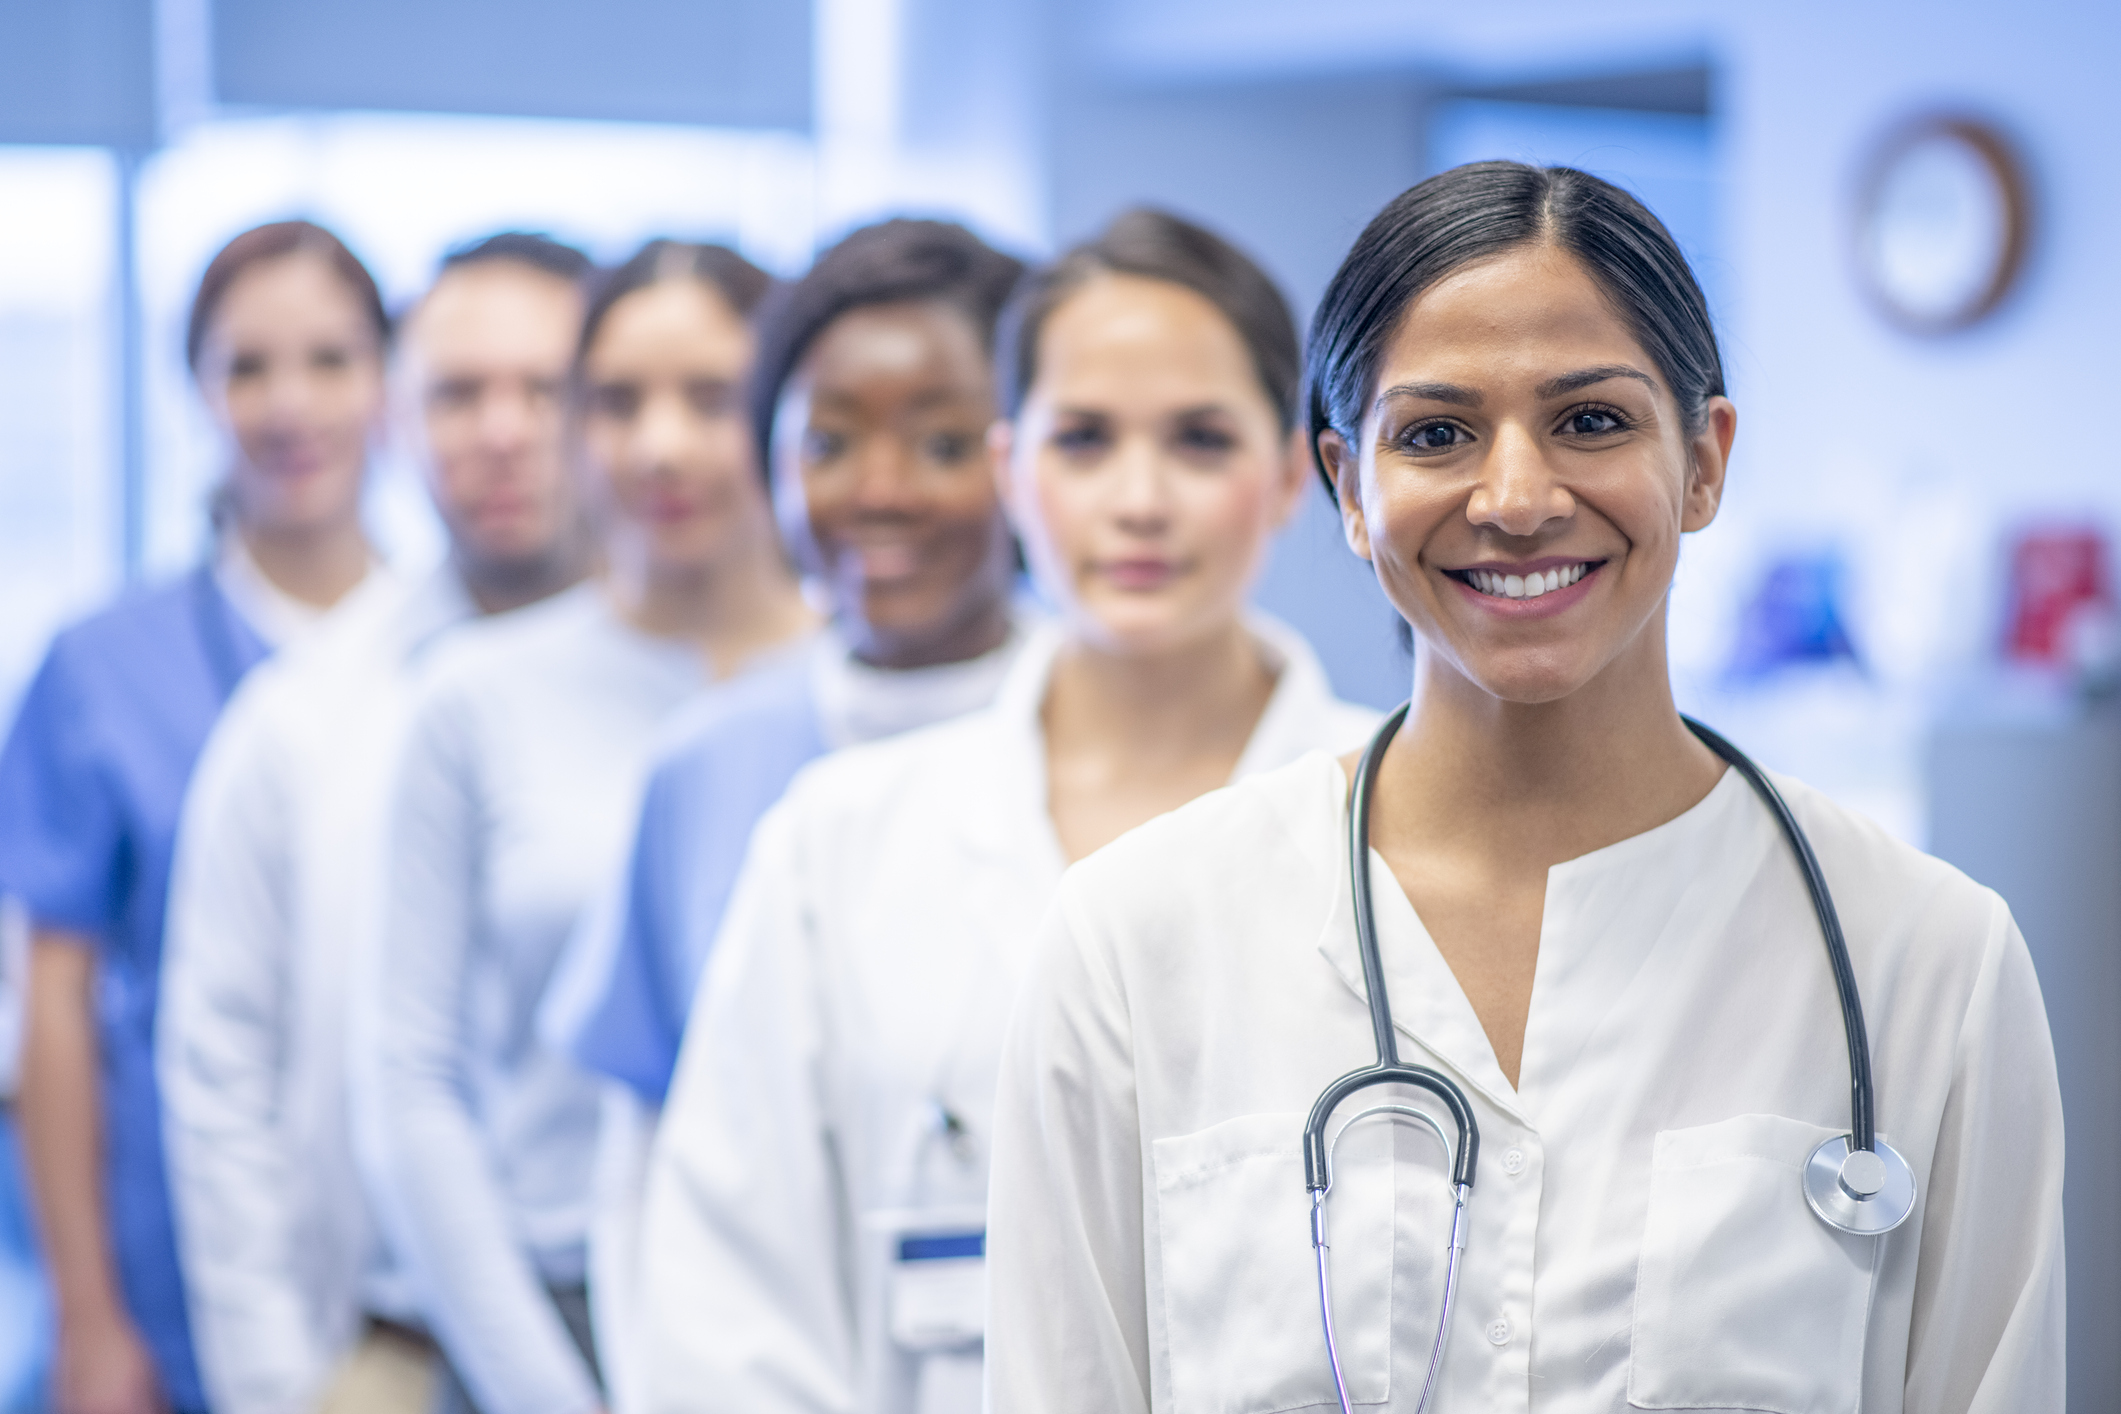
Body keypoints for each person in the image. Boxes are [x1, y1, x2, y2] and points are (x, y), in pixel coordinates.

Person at [981, 163, 2066, 1413]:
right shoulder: (1133, 940)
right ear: (1345, 484)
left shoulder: (1927, 960)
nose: (1516, 499)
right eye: (1435, 434)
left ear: (1705, 460)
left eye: (1592, 421)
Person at [634, 209, 1378, 1414]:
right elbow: (730, 1303)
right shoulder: (841, 839)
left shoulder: (1406, 818)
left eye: (1199, 440)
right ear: (1008, 468)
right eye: (1082, 439)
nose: (1139, 501)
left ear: (1300, 471)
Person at [532, 219, 1032, 1408]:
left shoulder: (1117, 741)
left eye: (944, 440)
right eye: (829, 439)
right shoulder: (709, 764)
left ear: (1029, 453)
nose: (880, 490)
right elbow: (645, 1169)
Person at [354, 238, 815, 1414]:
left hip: (815, 1304)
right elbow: (413, 1083)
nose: (660, 444)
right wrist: (544, 1389)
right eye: (614, 401)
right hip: (549, 1311)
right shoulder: (473, 697)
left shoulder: (869, 692)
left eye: (709, 398)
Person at [158, 232, 596, 1414]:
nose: (500, 430)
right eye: (457, 392)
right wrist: (278, 1385)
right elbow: (221, 1079)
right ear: (398, 416)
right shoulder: (299, 719)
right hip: (389, 1351)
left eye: (542, 390)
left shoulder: (696, 696)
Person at [0, 220, 391, 1414]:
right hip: (162, 1253)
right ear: (196, 391)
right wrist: (88, 1312)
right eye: (246, 367)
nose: (291, 405)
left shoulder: (455, 662)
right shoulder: (102, 666)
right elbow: (50, 1006)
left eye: (330, 360)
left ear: (388, 381)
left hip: (400, 1259)